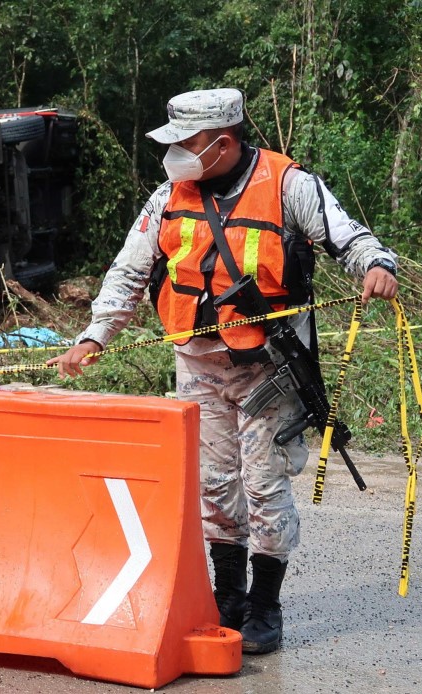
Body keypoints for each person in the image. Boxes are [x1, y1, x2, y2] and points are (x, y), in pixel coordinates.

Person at [47, 88, 397, 655]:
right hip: (198, 365)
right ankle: (226, 598)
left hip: (269, 369)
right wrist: (93, 336)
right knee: (213, 487)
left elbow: (349, 237)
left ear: (223, 142)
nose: (176, 155)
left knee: (263, 487)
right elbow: (128, 271)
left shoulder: (290, 185)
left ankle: (264, 606)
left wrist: (378, 265)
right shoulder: (168, 195)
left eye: (186, 145)